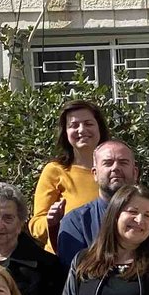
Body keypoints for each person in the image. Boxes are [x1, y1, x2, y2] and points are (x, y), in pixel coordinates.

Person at [54, 140, 149, 265]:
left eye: (123, 162)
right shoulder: (77, 221)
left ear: (135, 173)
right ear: (95, 173)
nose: (115, 168)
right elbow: (73, 275)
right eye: (108, 163)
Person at [30, 99, 106, 250]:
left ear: (100, 128)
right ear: (65, 132)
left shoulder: (115, 169)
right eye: (74, 125)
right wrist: (53, 221)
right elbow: (36, 226)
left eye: (88, 123)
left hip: (107, 258)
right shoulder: (55, 171)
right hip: (65, 261)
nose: (82, 130)